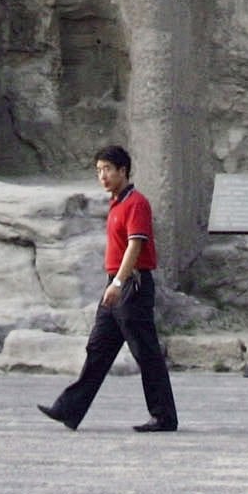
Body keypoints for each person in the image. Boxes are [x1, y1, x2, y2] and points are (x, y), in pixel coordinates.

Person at [39, 144, 178, 433]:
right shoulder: (117, 203)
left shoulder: (136, 203)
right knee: (98, 348)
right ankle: (69, 408)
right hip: (115, 283)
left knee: (145, 351)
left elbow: (135, 245)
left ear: (122, 171)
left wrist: (117, 282)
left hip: (132, 284)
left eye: (107, 170)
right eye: (98, 171)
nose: (102, 176)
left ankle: (164, 416)